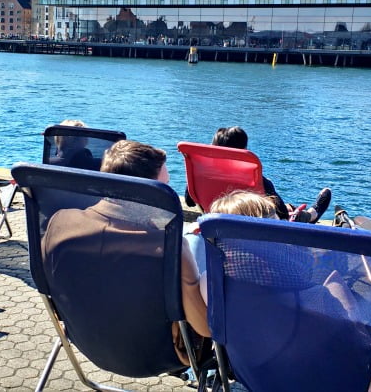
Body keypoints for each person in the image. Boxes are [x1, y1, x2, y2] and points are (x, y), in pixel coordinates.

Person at [42, 139, 210, 361]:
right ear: (144, 192)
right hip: (157, 356)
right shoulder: (169, 248)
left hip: (86, 343)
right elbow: (204, 329)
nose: (168, 193)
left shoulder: (59, 225)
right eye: (164, 187)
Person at [184, 126, 331, 223]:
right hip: (254, 225)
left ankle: (296, 210)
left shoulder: (200, 176)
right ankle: (310, 215)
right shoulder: (255, 179)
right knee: (285, 211)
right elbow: (281, 214)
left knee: (284, 207)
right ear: (243, 149)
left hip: (217, 221)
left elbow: (189, 201)